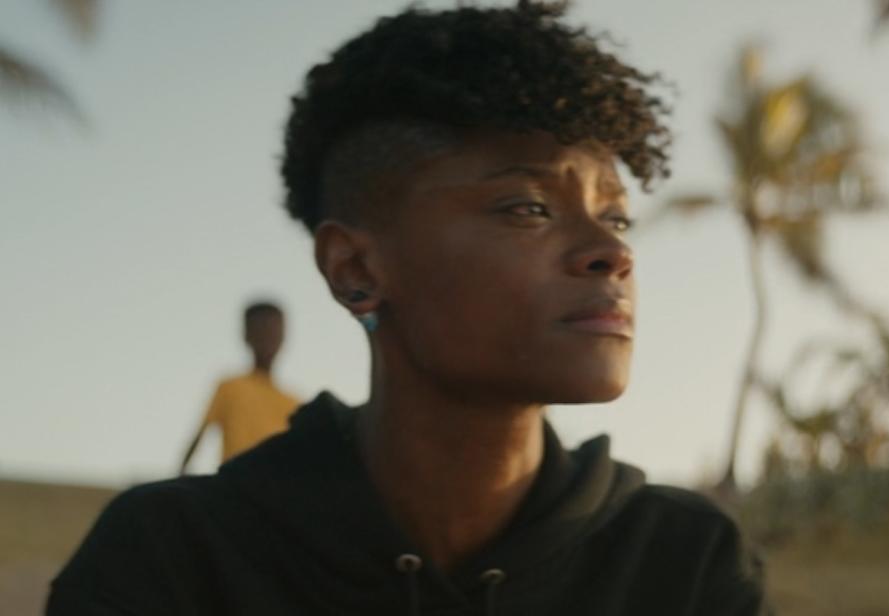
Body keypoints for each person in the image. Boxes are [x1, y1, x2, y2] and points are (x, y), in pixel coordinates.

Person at [48, 2, 769, 614]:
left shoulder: (685, 564)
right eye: (528, 207)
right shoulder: (174, 561)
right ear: (356, 270)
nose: (612, 254)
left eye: (616, 218)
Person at [179, 301, 299, 472]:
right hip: (234, 486)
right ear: (246, 335)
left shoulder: (294, 403)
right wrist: (179, 478)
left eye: (273, 332)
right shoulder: (230, 386)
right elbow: (199, 438)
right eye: (261, 332)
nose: (267, 339)